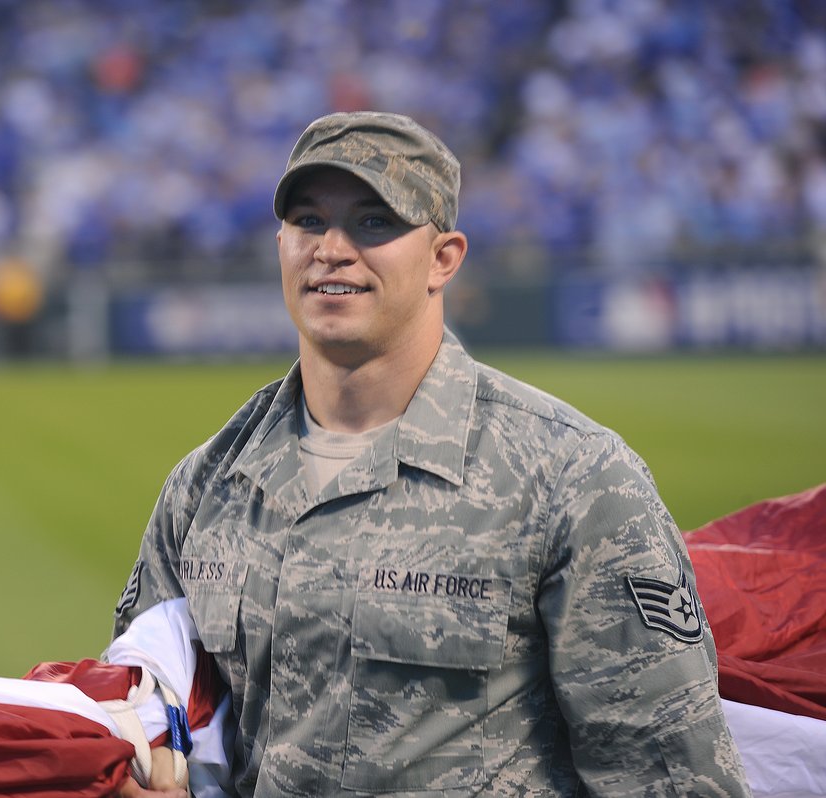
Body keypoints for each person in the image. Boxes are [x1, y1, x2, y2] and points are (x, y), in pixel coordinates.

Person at [111, 113, 752, 796]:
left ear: (443, 259)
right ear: (280, 244)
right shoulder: (207, 485)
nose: (331, 248)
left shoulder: (573, 477)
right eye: (307, 221)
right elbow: (146, 711)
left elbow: (672, 778)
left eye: (373, 223)